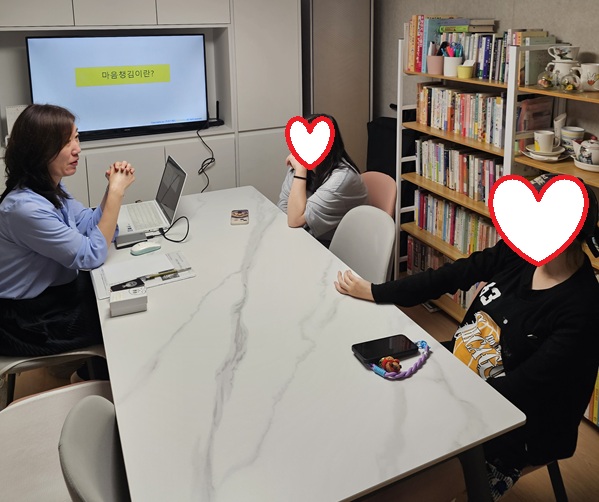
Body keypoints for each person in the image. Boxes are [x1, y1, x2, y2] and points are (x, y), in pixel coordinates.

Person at [335, 173, 599, 500]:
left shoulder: (582, 308)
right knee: (361, 404)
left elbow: (521, 391)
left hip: (510, 431)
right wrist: (377, 291)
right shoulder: (521, 253)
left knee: (389, 487)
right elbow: (452, 275)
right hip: (457, 376)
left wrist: (435, 404)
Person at [0, 104, 135, 359]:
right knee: (120, 314)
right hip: (25, 319)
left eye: (76, 138)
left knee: (122, 292)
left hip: (52, 295)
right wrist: (117, 193)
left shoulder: (47, 187)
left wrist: (110, 191)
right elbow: (90, 255)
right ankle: (88, 376)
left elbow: (86, 223)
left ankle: (86, 373)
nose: (77, 149)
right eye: (66, 142)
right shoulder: (25, 208)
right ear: (39, 150)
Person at [277, 113, 368, 246]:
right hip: (309, 238)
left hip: (340, 246)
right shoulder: (301, 165)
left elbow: (294, 220)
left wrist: (300, 171)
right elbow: (283, 208)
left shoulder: (341, 178)